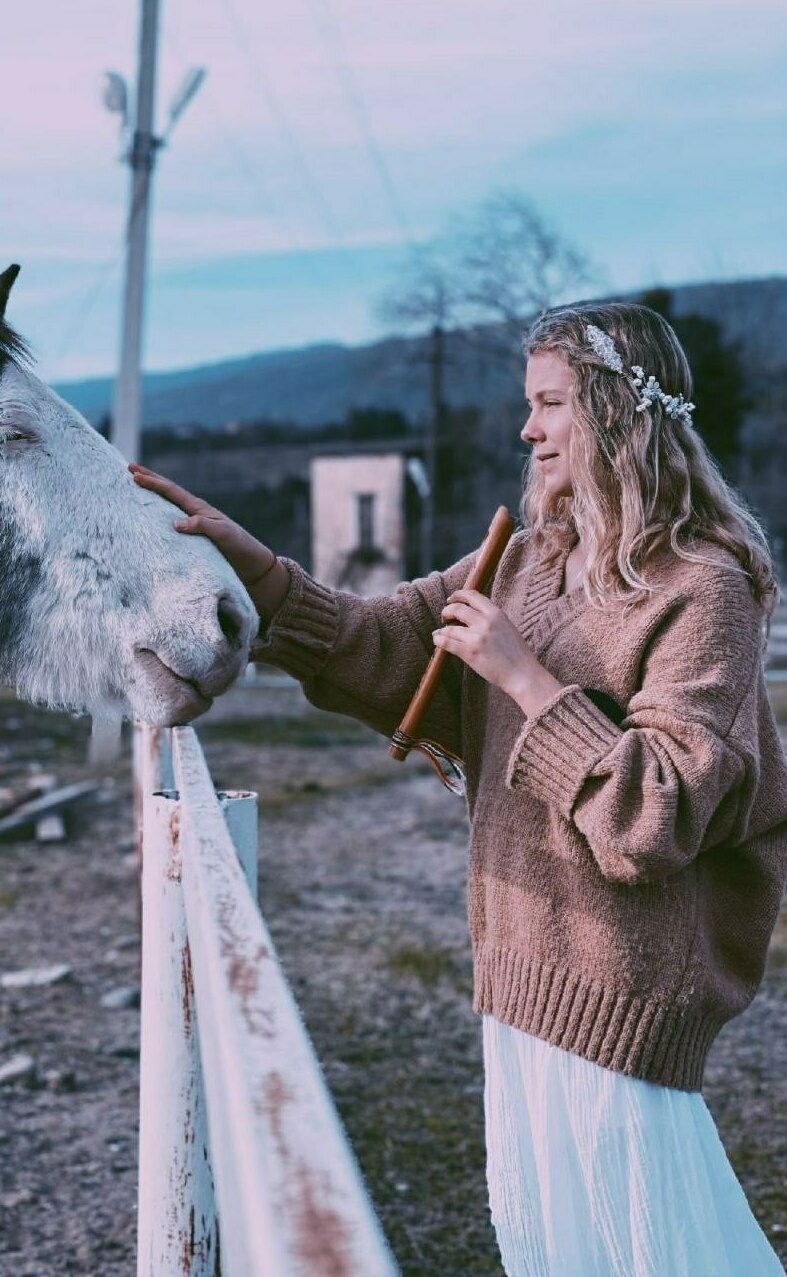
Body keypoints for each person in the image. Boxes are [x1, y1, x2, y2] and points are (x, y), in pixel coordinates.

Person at [130, 300, 787, 1277]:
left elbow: (656, 812)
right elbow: (378, 645)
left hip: (619, 990)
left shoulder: (699, 589)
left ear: (615, 410)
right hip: (516, 973)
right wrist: (255, 572)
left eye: (549, 403)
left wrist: (523, 679)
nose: (526, 429)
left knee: (657, 1253)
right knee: (545, 1249)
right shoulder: (523, 559)